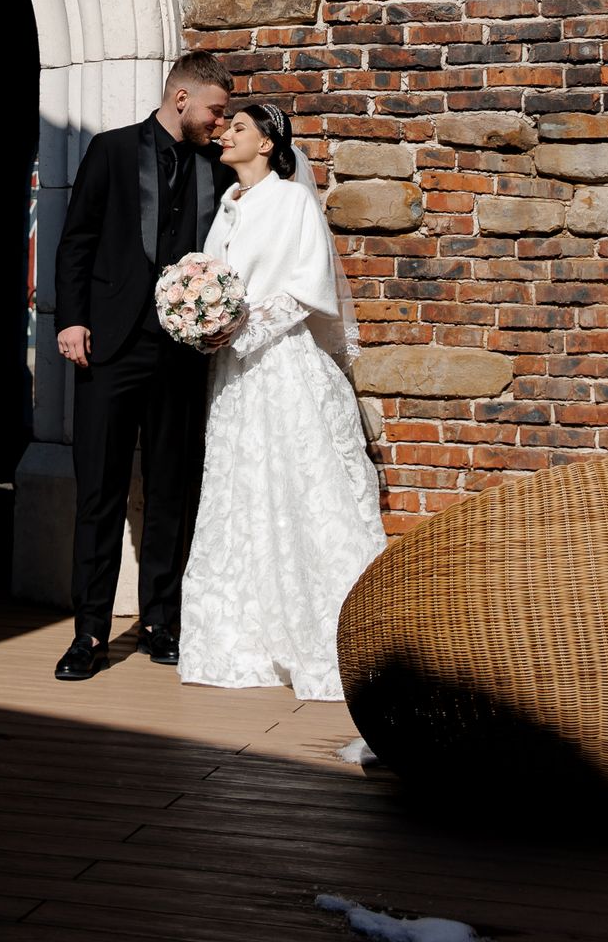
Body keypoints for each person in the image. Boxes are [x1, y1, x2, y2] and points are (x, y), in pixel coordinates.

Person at [178, 101, 386, 701]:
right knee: (240, 488)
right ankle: (241, 638)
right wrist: (201, 321)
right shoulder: (228, 206)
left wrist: (240, 327)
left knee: (299, 486)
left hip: (281, 364)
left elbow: (307, 288)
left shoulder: (292, 202)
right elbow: (212, 282)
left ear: (267, 144)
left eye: (239, 128)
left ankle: (333, 635)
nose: (225, 135)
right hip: (233, 376)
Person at [52, 52, 235, 681]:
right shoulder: (110, 150)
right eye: (215, 110)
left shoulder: (217, 166)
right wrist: (70, 319)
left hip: (181, 352)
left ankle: (161, 622)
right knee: (99, 493)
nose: (220, 122)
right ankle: (89, 633)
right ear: (181, 98)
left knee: (170, 490)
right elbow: (76, 239)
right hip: (109, 346)